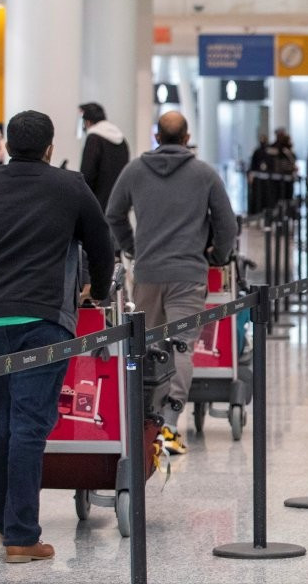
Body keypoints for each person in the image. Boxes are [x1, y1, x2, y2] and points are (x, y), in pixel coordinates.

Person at [0, 110, 115, 564]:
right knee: (30, 425)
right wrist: (101, 290)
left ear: (7, 145)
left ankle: (0, 515)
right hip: (43, 321)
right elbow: (101, 243)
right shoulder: (69, 186)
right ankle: (21, 535)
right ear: (50, 147)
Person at [105, 112, 237, 456]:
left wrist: (133, 248)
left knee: (143, 347)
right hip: (188, 275)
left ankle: (140, 419)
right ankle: (170, 426)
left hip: (147, 273)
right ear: (187, 136)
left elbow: (114, 214)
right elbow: (227, 224)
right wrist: (217, 255)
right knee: (181, 347)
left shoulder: (134, 170)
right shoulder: (205, 174)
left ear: (156, 136)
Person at [78, 102, 130, 211]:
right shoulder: (121, 139)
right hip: (119, 204)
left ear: (87, 121)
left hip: (98, 205)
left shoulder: (94, 139)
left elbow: (87, 175)